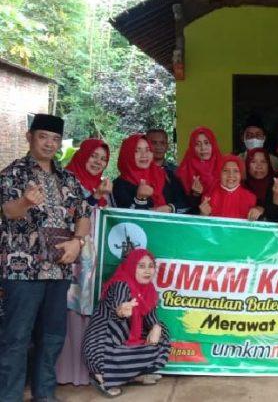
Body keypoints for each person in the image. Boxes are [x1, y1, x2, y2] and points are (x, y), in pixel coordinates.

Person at [0, 114, 91, 402]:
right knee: (16, 337)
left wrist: (78, 242)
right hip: (23, 269)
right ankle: (9, 396)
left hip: (59, 269)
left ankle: (45, 395)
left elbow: (83, 215)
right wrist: (26, 201)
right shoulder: (13, 173)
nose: (49, 143)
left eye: (55, 139)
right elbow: (8, 211)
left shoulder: (68, 178)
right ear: (30, 137)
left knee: (52, 336)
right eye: (43, 137)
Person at [57, 138, 112, 386]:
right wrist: (94, 197)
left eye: (103, 159)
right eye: (94, 156)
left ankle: (86, 371)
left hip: (92, 263)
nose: (98, 162)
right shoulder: (66, 180)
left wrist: (100, 196)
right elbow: (70, 215)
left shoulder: (103, 187)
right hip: (73, 260)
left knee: (88, 311)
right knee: (70, 311)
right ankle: (65, 373)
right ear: (82, 155)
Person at [82, 248, 170, 397]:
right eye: (141, 266)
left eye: (151, 266)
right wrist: (121, 312)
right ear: (131, 267)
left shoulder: (148, 290)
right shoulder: (121, 284)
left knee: (162, 333)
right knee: (119, 327)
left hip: (123, 342)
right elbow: (119, 307)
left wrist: (156, 327)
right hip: (102, 348)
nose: (147, 271)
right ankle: (101, 377)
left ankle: (131, 375)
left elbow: (151, 318)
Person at [112, 134, 186, 213]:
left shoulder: (167, 176)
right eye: (137, 151)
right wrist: (140, 199)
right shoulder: (119, 185)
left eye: (148, 150)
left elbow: (186, 204)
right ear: (128, 154)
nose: (144, 155)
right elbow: (123, 218)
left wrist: (170, 208)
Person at [199, 155, 260, 220]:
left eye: (236, 171)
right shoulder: (208, 197)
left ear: (241, 174)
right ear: (219, 173)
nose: (231, 175)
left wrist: (256, 213)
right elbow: (201, 224)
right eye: (226, 170)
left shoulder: (250, 198)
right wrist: (203, 215)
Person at [177, 127, 223, 209]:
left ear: (213, 144)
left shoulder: (224, 167)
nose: (203, 148)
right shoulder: (184, 170)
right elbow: (182, 205)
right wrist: (195, 195)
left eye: (206, 143)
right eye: (198, 144)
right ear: (192, 147)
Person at [244, 148, 275, 220]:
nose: (259, 166)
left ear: (269, 165)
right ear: (247, 165)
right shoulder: (241, 186)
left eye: (263, 162)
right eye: (253, 162)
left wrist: (263, 209)